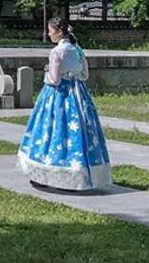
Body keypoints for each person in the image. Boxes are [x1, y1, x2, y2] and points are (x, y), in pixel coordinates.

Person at [16, 15, 112, 192]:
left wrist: (47, 73)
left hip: (58, 95)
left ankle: (47, 173)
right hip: (78, 93)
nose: (48, 34)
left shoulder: (56, 52)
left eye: (50, 31)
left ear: (59, 32)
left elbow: (54, 79)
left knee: (52, 130)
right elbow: (85, 75)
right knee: (78, 132)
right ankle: (80, 173)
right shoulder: (77, 49)